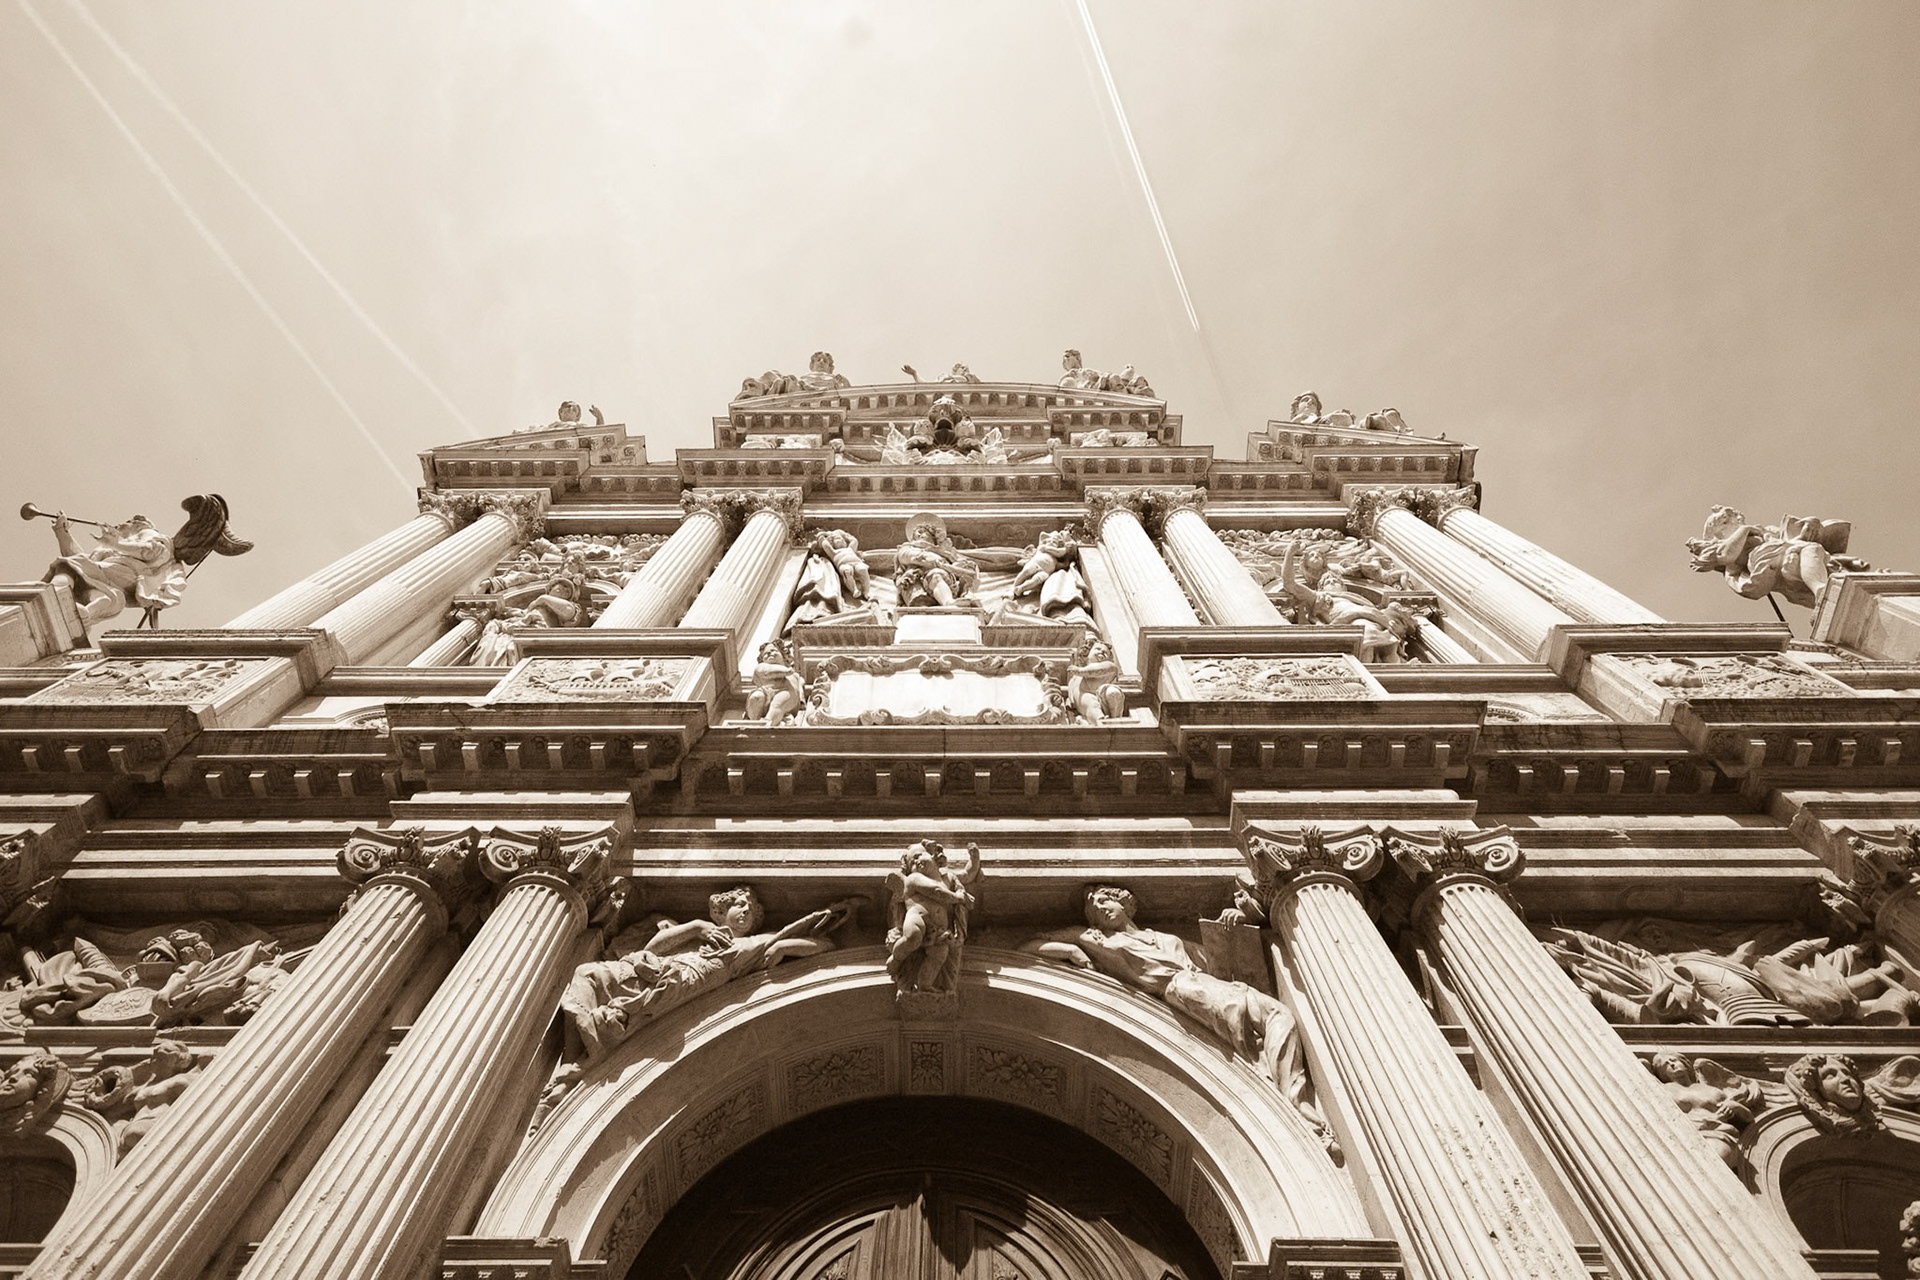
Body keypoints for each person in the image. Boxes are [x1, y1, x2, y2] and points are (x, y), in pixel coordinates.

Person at [1022, 886, 1332, 1149]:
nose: (1100, 909)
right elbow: (1029, 946)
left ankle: (1291, 1099)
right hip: (1181, 990)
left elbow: (1219, 960)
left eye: (1105, 900)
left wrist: (1238, 921)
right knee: (1243, 1026)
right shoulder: (1094, 938)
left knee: (1283, 1015)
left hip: (1208, 984)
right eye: (1094, 908)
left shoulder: (1167, 939)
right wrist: (1071, 950)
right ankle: (1286, 1109)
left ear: (1126, 903)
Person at [43, 512, 186, 629]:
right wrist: (62, 532)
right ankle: (84, 612)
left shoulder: (147, 533)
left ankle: (53, 594)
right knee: (98, 591)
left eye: (128, 522)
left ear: (138, 524)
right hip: (108, 575)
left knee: (69, 565)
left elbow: (151, 551)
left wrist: (116, 543)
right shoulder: (112, 546)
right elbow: (83, 561)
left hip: (127, 574)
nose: (120, 525)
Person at [885, 841, 978, 993]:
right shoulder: (914, 878)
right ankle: (896, 959)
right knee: (913, 937)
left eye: (918, 856)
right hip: (917, 918)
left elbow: (967, 875)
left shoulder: (948, 878)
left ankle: (924, 984)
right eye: (911, 862)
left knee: (939, 956)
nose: (915, 861)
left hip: (939, 931)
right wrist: (959, 898)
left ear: (934, 856)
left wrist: (975, 860)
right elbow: (936, 891)